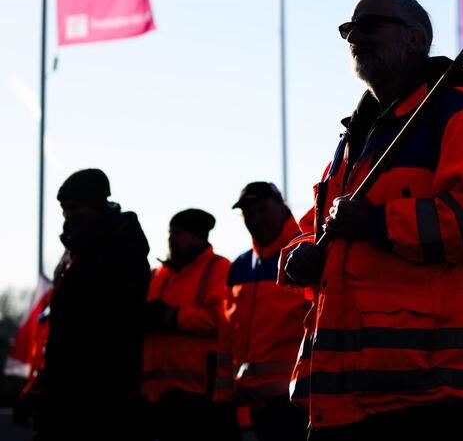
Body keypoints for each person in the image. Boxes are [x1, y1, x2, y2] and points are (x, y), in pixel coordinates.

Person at [279, 0, 463, 439]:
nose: (355, 37)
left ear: (415, 38)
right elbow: (316, 231)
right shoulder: (353, 140)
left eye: (369, 25)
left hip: (427, 398)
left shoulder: (456, 117)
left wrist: (376, 223)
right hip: (339, 402)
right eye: (349, 29)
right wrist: (300, 255)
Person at [30, 169, 151, 440]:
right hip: (67, 389)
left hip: (103, 393)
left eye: (74, 207)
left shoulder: (121, 247)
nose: (67, 215)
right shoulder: (76, 250)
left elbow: (112, 319)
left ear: (96, 205)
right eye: (64, 208)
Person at [218, 181, 310, 441]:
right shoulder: (240, 266)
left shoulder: (306, 253)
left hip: (299, 403)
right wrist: (223, 398)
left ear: (282, 208)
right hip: (252, 405)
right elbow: (227, 336)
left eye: (262, 210)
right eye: (248, 213)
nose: (256, 219)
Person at [143, 208, 234, 441]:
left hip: (198, 396)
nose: (172, 239)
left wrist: (172, 317)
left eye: (180, 233)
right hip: (155, 395)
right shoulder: (158, 275)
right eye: (171, 232)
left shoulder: (219, 269)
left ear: (200, 237)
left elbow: (219, 319)